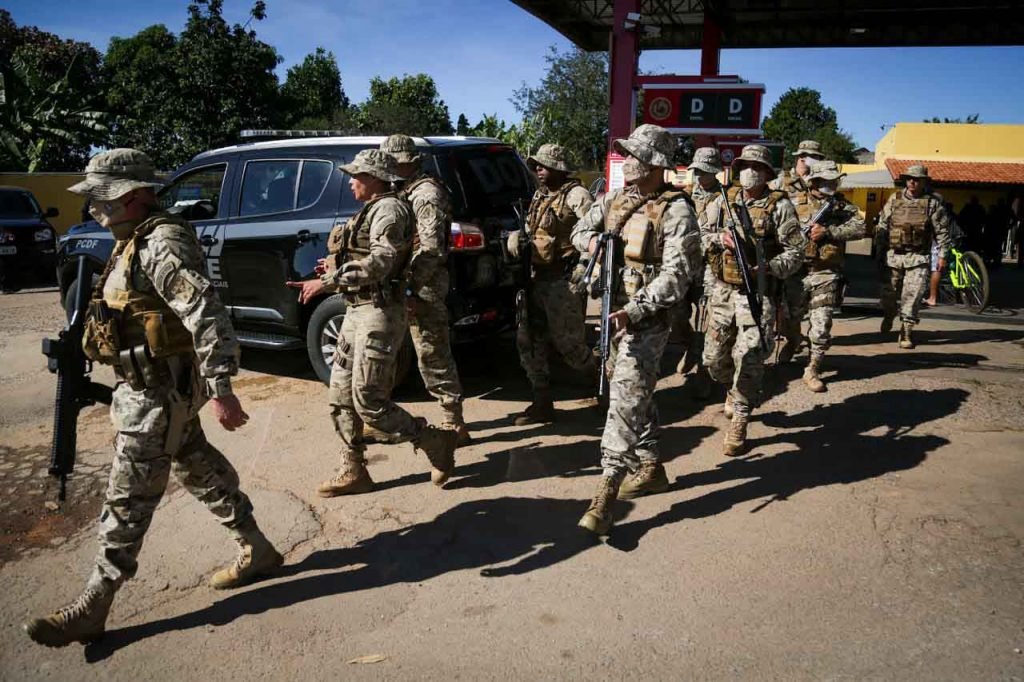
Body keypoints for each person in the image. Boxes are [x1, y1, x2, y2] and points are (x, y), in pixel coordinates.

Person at [25, 148, 282, 648]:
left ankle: (95, 602)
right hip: (149, 389)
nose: (95, 206)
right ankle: (258, 548)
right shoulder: (130, 239)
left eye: (104, 196)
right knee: (199, 468)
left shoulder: (161, 242)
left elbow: (206, 313)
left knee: (127, 496)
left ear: (135, 196)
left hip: (158, 395)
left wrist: (224, 389)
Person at [287, 150, 457, 497]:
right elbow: (366, 254)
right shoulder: (373, 208)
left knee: (370, 402)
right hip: (356, 310)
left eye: (357, 175)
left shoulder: (390, 210)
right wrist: (335, 263)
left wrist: (330, 281)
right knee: (340, 396)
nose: (351, 181)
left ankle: (435, 441)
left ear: (376, 178)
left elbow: (384, 260)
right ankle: (354, 469)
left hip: (378, 314)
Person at [571, 124, 701, 534]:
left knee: (624, 398)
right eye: (628, 153)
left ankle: (605, 494)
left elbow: (677, 277)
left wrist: (637, 310)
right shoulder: (615, 199)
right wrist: (595, 245)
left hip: (647, 320)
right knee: (634, 388)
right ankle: (651, 467)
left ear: (655, 164)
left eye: (637, 155)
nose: (629, 161)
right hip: (613, 310)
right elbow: (579, 230)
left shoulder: (676, 209)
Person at [702, 144, 804, 456]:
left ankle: (740, 422)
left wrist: (770, 267)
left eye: (757, 167)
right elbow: (700, 234)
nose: (750, 171)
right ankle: (733, 391)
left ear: (767, 174)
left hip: (757, 293)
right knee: (714, 361)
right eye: (746, 165)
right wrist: (720, 238)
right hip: (722, 291)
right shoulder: (723, 200)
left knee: (749, 358)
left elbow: (796, 252)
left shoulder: (779, 206)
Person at [377, 134, 470, 444]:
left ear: (407, 164)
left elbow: (430, 249)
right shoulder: (402, 190)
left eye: (392, 164)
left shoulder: (425, 194)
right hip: (404, 283)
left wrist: (411, 289)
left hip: (423, 284)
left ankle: (452, 421)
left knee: (432, 352)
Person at [507, 143, 597, 425]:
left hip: (562, 279)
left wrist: (583, 269)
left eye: (544, 166)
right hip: (535, 277)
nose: (538, 170)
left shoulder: (577, 195)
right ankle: (542, 400)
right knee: (530, 341)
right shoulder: (539, 196)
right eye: (536, 166)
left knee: (571, 346)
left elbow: (595, 232)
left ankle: (605, 388)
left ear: (558, 168)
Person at [783, 160, 866, 392]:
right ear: (815, 180)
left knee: (821, 326)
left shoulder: (840, 206)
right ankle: (793, 340)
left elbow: (860, 228)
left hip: (825, 273)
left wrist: (830, 232)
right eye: (826, 180)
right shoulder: (792, 202)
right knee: (790, 319)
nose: (831, 184)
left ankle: (812, 368)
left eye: (833, 180)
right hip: (796, 273)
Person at [875, 165, 951, 348]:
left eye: (917, 179)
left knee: (913, 295)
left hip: (918, 257)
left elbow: (942, 232)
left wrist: (942, 255)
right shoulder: (894, 199)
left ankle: (906, 331)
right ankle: (888, 315)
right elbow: (883, 225)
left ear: (924, 181)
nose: (912, 182)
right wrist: (878, 249)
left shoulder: (932, 203)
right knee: (888, 296)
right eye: (909, 178)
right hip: (893, 256)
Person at [675, 146, 722, 399]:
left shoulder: (726, 199)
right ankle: (690, 346)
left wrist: (705, 239)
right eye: (697, 171)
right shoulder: (684, 197)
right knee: (677, 315)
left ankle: (703, 375)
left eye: (704, 171)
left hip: (709, 270)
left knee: (705, 321)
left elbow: (729, 235)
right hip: (685, 266)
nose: (699, 175)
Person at [775, 140, 825, 363]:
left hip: (816, 257)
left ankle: (808, 347)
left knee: (814, 311)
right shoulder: (781, 182)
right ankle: (793, 338)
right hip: (787, 254)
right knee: (787, 309)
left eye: (812, 156)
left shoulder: (823, 183)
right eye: (803, 155)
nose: (806, 159)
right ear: (798, 157)